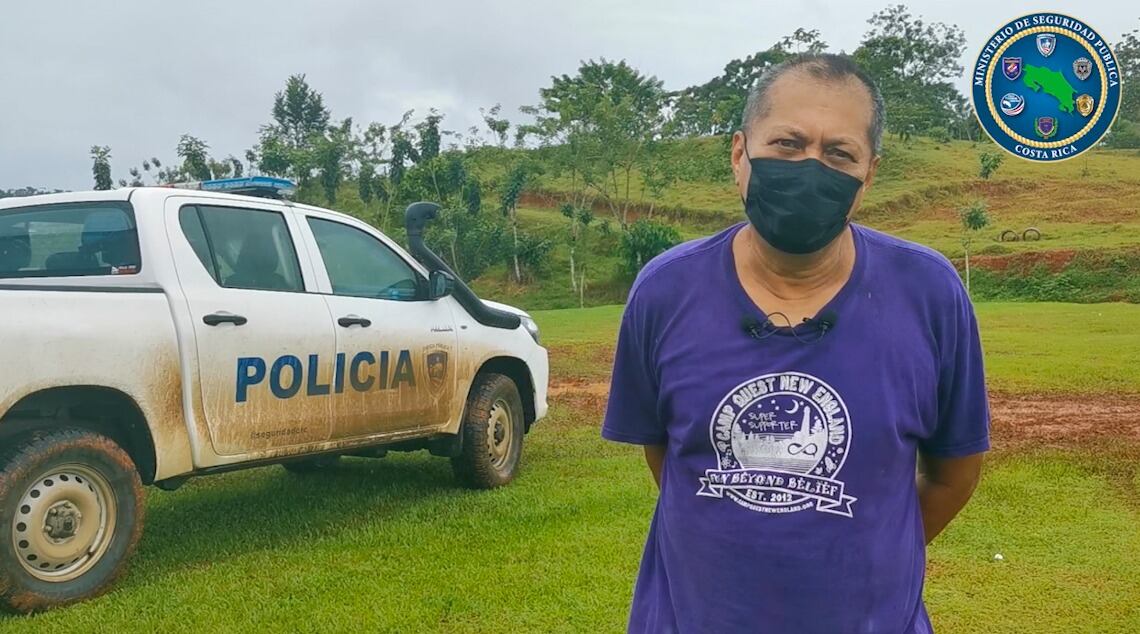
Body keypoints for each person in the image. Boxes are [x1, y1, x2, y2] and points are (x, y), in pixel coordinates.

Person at [601, 53, 990, 633]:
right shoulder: (666, 291)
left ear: (868, 175)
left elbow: (953, 475)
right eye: (787, 144)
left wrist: (865, 555)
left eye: (839, 154)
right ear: (740, 154)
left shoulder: (929, 293)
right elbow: (669, 458)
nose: (810, 168)